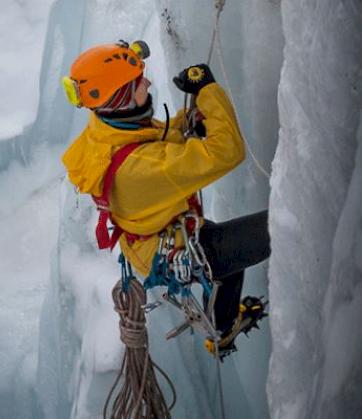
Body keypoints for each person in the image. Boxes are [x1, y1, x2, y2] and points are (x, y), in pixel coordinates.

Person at [60, 40, 270, 356]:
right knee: (280, 227)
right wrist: (209, 91)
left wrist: (189, 120)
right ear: (121, 100)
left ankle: (223, 330)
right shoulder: (138, 169)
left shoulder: (107, 128)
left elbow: (152, 138)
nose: (148, 82)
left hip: (160, 235)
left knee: (230, 261)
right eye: (138, 83)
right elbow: (227, 152)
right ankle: (223, 327)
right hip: (175, 251)